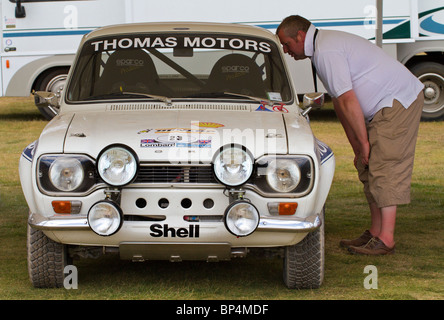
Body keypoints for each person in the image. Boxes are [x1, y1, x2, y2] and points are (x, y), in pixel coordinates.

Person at [277, 15, 424, 255]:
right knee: (367, 164)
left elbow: (347, 99)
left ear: (300, 36)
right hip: (381, 106)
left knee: (384, 164)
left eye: (287, 44)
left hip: (397, 101)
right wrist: (358, 147)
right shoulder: (322, 48)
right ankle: (375, 233)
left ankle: (386, 239)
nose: (285, 50)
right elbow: (340, 104)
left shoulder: (327, 50)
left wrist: (364, 142)